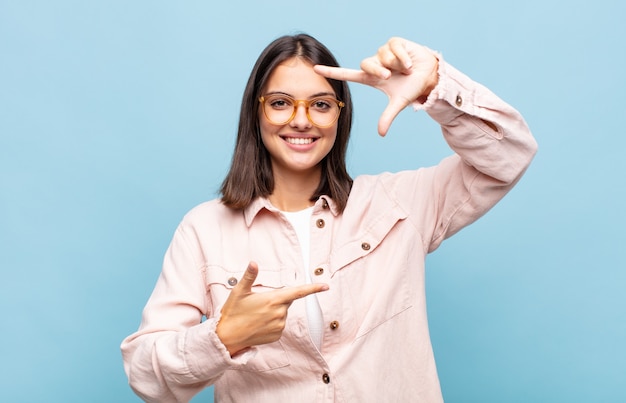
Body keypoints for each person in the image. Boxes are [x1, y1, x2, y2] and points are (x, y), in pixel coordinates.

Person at [121, 33, 537, 402]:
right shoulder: (204, 229)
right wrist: (223, 338)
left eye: (320, 104)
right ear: (256, 112)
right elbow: (146, 376)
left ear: (340, 114)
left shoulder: (401, 203)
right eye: (281, 103)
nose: (301, 120)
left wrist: (436, 86)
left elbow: (510, 154)